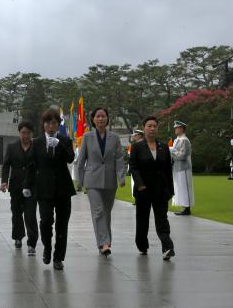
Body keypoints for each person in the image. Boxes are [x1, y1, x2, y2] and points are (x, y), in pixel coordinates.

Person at [24, 108, 75, 271]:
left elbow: (70, 158)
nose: (50, 126)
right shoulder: (37, 142)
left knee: (62, 224)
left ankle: (58, 257)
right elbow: (31, 165)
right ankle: (47, 246)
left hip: (63, 188)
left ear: (58, 124)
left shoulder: (65, 140)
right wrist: (27, 185)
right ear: (43, 125)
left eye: (54, 123)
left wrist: (59, 145)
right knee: (46, 221)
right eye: (47, 123)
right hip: (44, 188)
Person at [75, 107, 126, 257]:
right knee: (98, 211)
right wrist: (80, 180)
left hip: (110, 180)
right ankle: (104, 243)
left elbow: (119, 158)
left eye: (103, 116)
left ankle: (105, 242)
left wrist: (121, 176)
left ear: (107, 118)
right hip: (92, 181)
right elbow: (81, 160)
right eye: (98, 116)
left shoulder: (114, 138)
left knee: (107, 213)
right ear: (93, 119)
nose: (101, 119)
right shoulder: (87, 137)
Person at [130, 116, 175, 260]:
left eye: (154, 126)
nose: (152, 128)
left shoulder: (163, 146)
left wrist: (170, 190)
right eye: (149, 126)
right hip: (143, 190)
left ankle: (167, 247)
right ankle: (142, 245)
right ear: (144, 128)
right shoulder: (137, 146)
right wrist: (140, 184)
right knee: (142, 220)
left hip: (160, 190)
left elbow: (168, 170)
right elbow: (134, 168)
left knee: (162, 219)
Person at [0, 121, 38, 255]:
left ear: (32, 133)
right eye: (23, 132)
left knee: (30, 215)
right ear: (19, 133)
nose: (25, 135)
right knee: (16, 214)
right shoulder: (12, 147)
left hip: (32, 186)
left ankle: (32, 244)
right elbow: (6, 165)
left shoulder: (36, 146)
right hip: (15, 186)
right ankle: (18, 237)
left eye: (28, 133)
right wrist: (4, 181)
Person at [170, 121, 194, 216]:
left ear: (182, 129)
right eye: (175, 128)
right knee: (179, 187)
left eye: (177, 128)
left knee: (185, 188)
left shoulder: (184, 140)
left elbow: (183, 155)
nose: (175, 129)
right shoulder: (177, 140)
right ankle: (183, 206)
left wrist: (172, 151)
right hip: (177, 167)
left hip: (184, 167)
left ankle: (187, 208)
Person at [128, 130, 145, 200]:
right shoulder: (136, 144)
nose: (134, 137)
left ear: (139, 135)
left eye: (135, 135)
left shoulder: (141, 144)